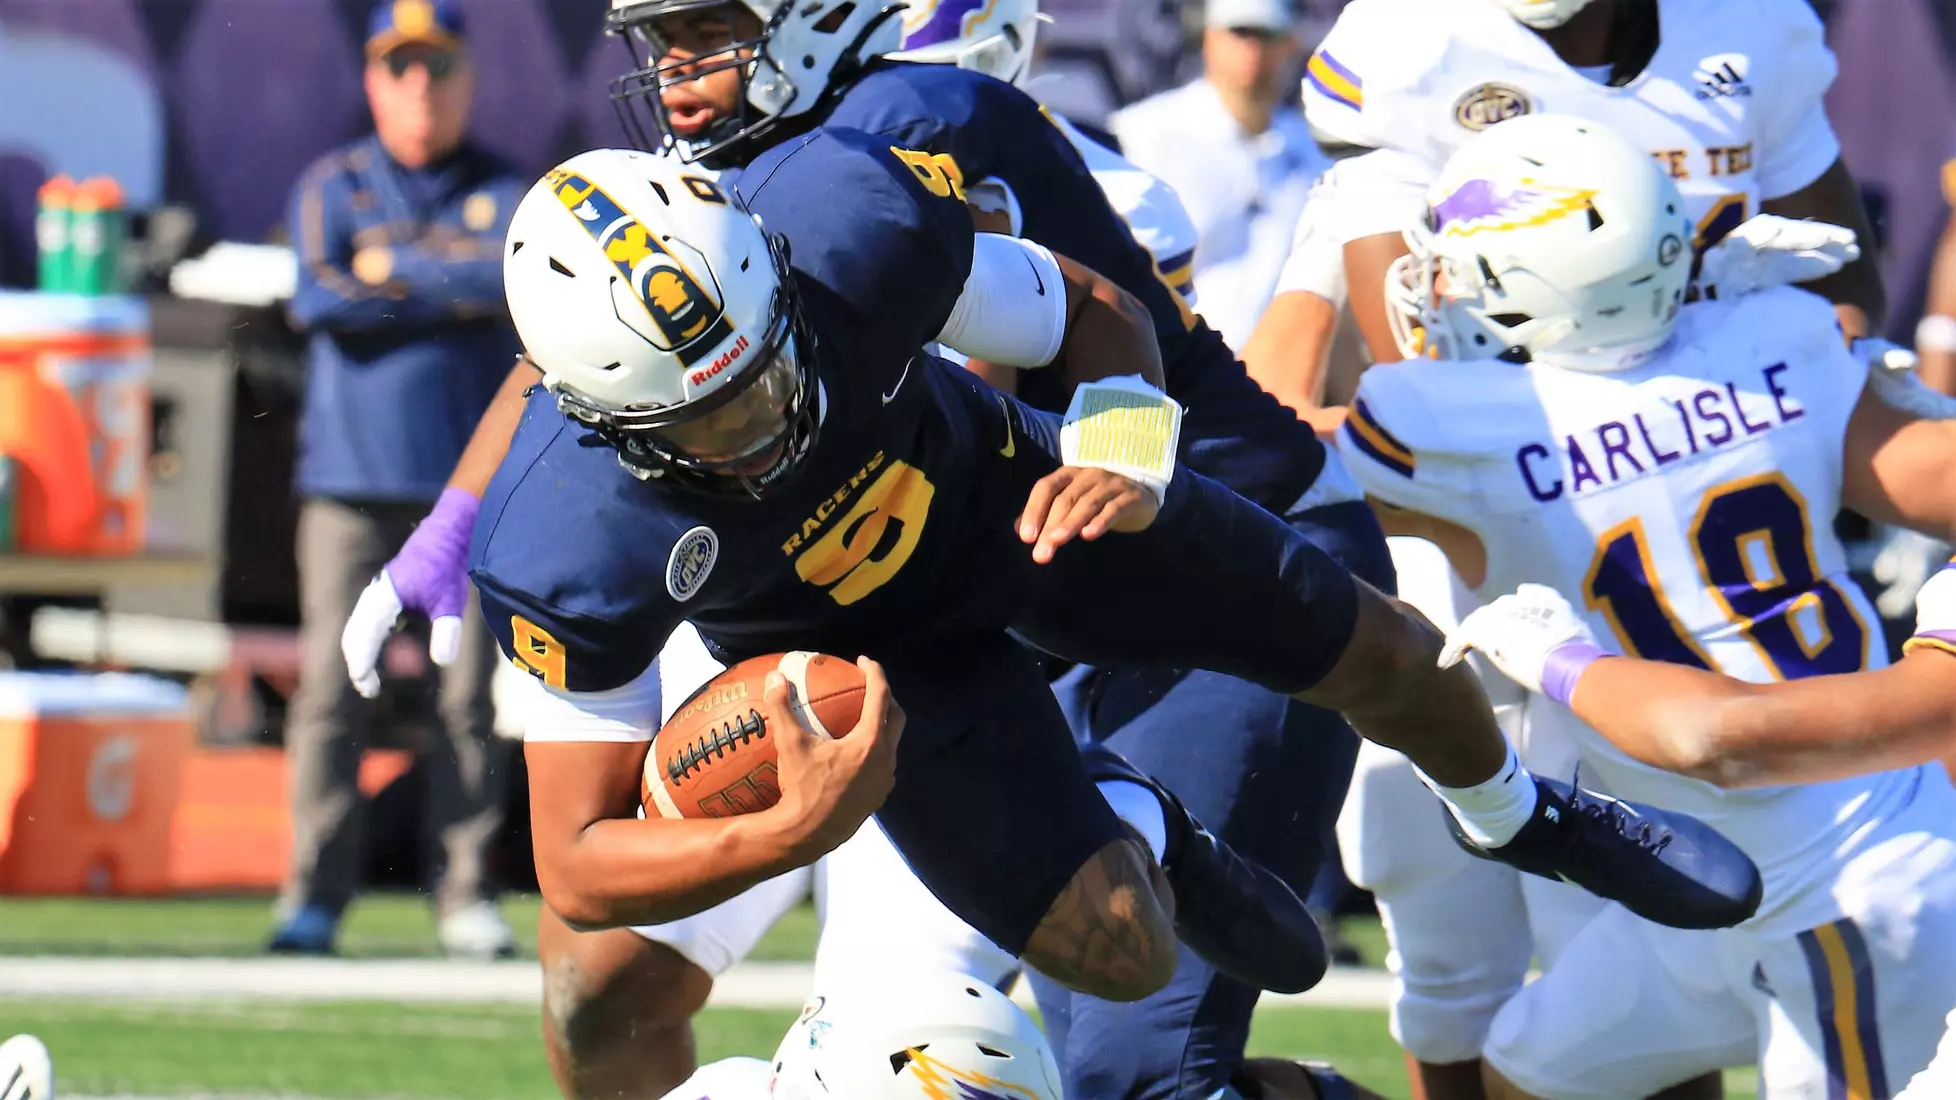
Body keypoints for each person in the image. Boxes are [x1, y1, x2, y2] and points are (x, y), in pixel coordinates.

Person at [478, 124, 1758, 1083]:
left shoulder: (847, 228)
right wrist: (783, 832)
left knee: (1380, 650)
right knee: (1124, 947)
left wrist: (1124, 437)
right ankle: (1146, 817)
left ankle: (1519, 812)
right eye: (709, 417)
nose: (766, 420)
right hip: (875, 671)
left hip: (1017, 502)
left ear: (771, 273)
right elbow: (577, 867)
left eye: (765, 367)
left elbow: (1090, 305)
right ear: (592, 414)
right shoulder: (561, 541)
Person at [1334, 112, 1956, 1100]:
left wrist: (1289, 284)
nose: (1438, 288)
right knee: (1521, 1081)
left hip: (1843, 883)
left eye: (1458, 268)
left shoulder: (1457, 428)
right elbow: (1920, 468)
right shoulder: (1778, 337)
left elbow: (1263, 452)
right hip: (1734, 862)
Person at [273, 0, 525, 959]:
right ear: (375, 80)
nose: (421, 86)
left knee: (468, 701)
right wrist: (441, 281)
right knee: (333, 692)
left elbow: (509, 280)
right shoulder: (331, 181)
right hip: (350, 483)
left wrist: (390, 267)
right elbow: (312, 297)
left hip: (469, 490)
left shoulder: (506, 186)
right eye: (401, 68)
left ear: (466, 76)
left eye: (439, 67)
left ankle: (465, 892)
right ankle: (313, 894)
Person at [1108, 0, 1325, 352]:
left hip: (1273, 388)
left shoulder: (1317, 157)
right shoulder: (1141, 136)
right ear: (1208, 37)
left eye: (1268, 35)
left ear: (1291, 43)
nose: (1253, 50)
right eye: (1240, 33)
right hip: (1168, 371)